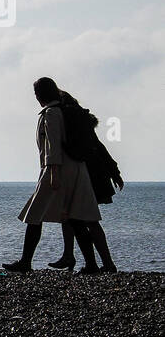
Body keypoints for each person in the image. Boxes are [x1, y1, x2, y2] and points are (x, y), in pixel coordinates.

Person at [4, 78, 101, 274]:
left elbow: (52, 145)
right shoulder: (66, 111)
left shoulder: (51, 114)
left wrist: (53, 173)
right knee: (76, 217)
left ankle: (25, 261)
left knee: (34, 215)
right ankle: (91, 265)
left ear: (40, 95)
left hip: (56, 169)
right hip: (76, 169)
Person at [47, 91, 122, 273]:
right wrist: (114, 171)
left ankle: (101, 262)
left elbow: (93, 148)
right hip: (91, 174)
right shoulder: (81, 122)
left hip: (86, 175)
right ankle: (75, 256)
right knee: (76, 217)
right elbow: (99, 147)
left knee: (85, 219)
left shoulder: (69, 120)